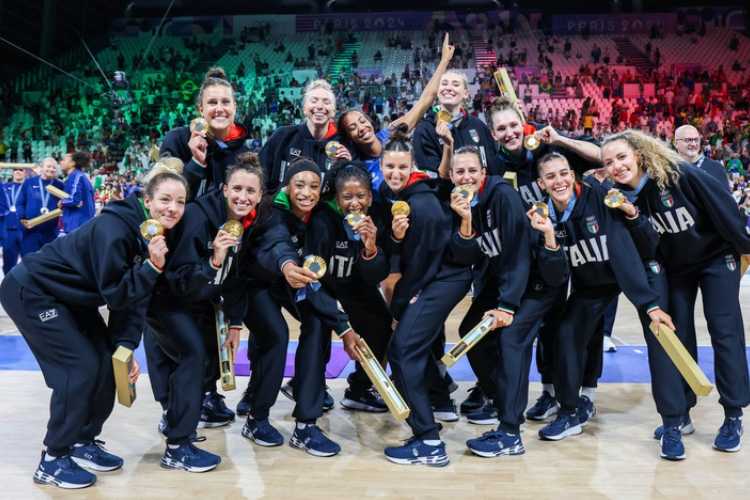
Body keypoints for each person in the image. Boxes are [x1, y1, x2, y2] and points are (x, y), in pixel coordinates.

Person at [0, 161, 187, 489]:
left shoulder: (153, 236)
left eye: (180, 202)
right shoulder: (113, 229)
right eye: (165, 199)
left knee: (104, 361)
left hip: (70, 296)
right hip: (32, 290)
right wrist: (153, 269)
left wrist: (125, 346)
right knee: (81, 368)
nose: (173, 208)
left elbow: (134, 297)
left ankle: (82, 441)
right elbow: (117, 295)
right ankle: (53, 457)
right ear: (147, 200)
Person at [602, 130, 750, 457]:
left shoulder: (678, 174)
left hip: (716, 257)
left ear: (638, 154)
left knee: (724, 330)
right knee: (674, 335)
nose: (616, 166)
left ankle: (733, 415)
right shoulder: (618, 199)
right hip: (676, 268)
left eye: (622, 157)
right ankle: (678, 415)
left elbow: (722, 204)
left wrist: (745, 247)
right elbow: (628, 252)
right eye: (609, 162)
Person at [146, 153, 275, 472]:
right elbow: (179, 280)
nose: (243, 197)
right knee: (191, 356)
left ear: (260, 196)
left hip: (197, 299)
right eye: (237, 189)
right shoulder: (198, 217)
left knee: (202, 356)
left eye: (250, 191)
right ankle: (177, 443)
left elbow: (235, 279)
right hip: (166, 298)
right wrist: (214, 260)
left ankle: (178, 424)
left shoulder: (247, 222)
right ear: (223, 189)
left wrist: (235, 321)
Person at [533, 152, 674, 442]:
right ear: (541, 183)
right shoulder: (543, 216)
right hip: (592, 283)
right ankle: (575, 406)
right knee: (573, 330)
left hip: (637, 269)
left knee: (660, 331)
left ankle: (676, 418)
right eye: (550, 176)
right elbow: (554, 273)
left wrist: (648, 303)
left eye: (563, 173)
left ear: (573, 175)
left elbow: (631, 252)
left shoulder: (600, 198)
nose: (558, 181)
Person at [378, 127, 475, 467]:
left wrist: (399, 306)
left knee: (402, 350)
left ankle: (429, 441)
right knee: (409, 349)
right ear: (380, 164)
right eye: (389, 166)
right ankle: (436, 406)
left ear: (413, 167)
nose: (395, 173)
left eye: (402, 167)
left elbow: (420, 266)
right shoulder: (399, 196)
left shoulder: (421, 203)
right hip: (435, 278)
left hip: (443, 279)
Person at [304, 160, 392, 412]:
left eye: (361, 196)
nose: (355, 203)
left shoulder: (375, 219)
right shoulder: (322, 220)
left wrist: (371, 247)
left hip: (354, 284)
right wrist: (342, 326)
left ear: (370, 197)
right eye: (347, 197)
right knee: (317, 324)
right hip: (323, 286)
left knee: (381, 322)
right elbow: (313, 278)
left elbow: (377, 275)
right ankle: (309, 384)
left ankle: (360, 389)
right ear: (337, 198)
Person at [337, 34, 455, 198]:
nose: (361, 128)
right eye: (352, 127)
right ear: (349, 138)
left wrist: (444, 61)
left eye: (362, 121)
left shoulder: (390, 134)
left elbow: (424, 101)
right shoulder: (360, 168)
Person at [160, 67, 251, 199]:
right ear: (201, 109)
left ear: (234, 108)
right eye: (212, 103)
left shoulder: (244, 155)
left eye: (225, 102)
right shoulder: (177, 140)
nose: (219, 109)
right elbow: (164, 199)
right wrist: (196, 162)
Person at [260, 79, 352, 191]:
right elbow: (259, 175)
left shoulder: (343, 146)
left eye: (326, 102)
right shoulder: (283, 136)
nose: (320, 106)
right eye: (314, 101)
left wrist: (349, 166)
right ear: (304, 109)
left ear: (333, 111)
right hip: (278, 207)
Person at [413, 70, 500, 176]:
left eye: (455, 84)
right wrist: (447, 146)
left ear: (465, 93)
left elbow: (493, 167)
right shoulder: (424, 131)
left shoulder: (479, 126)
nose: (448, 88)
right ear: (438, 91)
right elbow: (431, 181)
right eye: (444, 84)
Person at [17, 158, 65, 256]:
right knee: (29, 262)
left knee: (48, 263)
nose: (51, 169)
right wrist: (22, 217)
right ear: (41, 167)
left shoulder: (60, 185)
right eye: (48, 166)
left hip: (50, 232)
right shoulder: (29, 182)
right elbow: (20, 203)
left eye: (54, 167)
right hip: (30, 230)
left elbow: (66, 203)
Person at [673, 125, 729, 190]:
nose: (693, 144)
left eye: (696, 140)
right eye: (688, 140)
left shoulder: (716, 168)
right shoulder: (668, 169)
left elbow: (725, 199)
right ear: (676, 144)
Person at [58, 152, 96, 233]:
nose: (61, 162)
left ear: (72, 163)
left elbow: (75, 200)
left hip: (77, 226)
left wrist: (62, 202)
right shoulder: (77, 176)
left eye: (64, 160)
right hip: (80, 225)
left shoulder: (76, 176)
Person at [2, 167, 28, 274]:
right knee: (8, 264)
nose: (17, 171)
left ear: (25, 173)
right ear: (12, 173)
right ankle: (8, 288)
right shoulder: (5, 187)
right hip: (8, 230)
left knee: (28, 263)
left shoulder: (29, 188)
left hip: (25, 230)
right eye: (15, 170)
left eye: (20, 170)